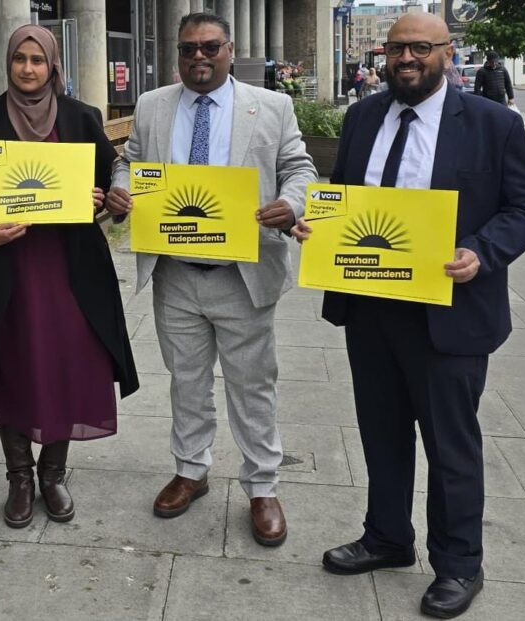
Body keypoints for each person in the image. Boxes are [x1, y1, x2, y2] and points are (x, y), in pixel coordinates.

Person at [291, 14, 525, 619]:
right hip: (372, 308)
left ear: (446, 53)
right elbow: (347, 197)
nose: (406, 58)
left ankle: (459, 565)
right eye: (397, 48)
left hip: (449, 314)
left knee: (450, 443)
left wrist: (481, 253)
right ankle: (386, 538)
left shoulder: (493, 123)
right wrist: (318, 232)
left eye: (420, 48)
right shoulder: (363, 117)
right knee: (381, 431)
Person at [105, 12, 317, 546]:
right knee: (187, 381)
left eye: (209, 48)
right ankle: (191, 471)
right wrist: (122, 189)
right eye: (187, 50)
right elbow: (127, 161)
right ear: (177, 55)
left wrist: (290, 204)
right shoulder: (153, 106)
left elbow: (300, 167)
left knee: (253, 385)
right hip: (175, 274)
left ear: (228, 49)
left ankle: (262, 486)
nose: (198, 58)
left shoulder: (271, 106)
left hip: (243, 273)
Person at [0, 24, 139, 529]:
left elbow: (109, 178)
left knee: (63, 364)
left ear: (53, 65)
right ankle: (19, 477)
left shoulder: (81, 117)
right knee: (11, 363)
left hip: (69, 269)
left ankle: (53, 473)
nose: (28, 69)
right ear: (8, 63)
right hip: (5, 270)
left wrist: (104, 200)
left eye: (38, 60)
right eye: (20, 59)